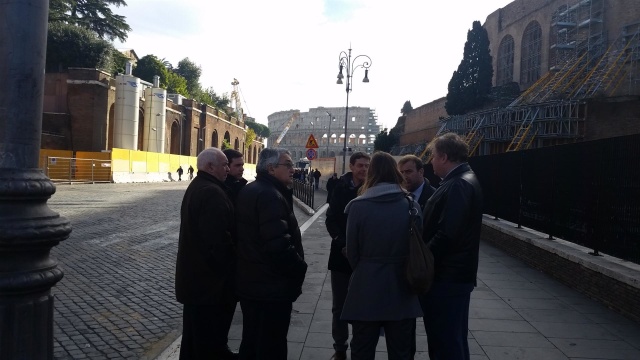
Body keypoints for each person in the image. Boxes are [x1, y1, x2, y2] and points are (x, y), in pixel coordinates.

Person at [342, 151, 423, 359]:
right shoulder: (411, 206)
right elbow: (417, 246)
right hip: (402, 285)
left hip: (366, 285)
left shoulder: (358, 207)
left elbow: (352, 252)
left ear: (372, 174)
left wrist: (365, 268)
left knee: (362, 347)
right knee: (401, 350)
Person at [234, 148, 308, 359]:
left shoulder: (252, 189)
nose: (293, 169)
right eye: (288, 164)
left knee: (252, 341)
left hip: (253, 284)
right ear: (271, 169)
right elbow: (278, 246)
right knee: (271, 345)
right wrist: (300, 267)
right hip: (270, 288)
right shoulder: (270, 196)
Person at [420, 133, 483, 360]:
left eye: (434, 156)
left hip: (447, 278)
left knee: (446, 342)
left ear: (444, 156)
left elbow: (448, 234)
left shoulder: (459, 185)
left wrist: (424, 258)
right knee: (450, 340)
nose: (431, 162)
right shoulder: (460, 181)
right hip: (452, 276)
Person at [174, 147, 239, 359]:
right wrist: (234, 268)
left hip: (197, 283)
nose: (227, 169)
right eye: (224, 165)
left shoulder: (199, 186)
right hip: (210, 286)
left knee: (194, 340)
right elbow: (218, 241)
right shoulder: (212, 192)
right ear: (210, 167)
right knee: (207, 343)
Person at [325, 152, 370, 360]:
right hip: (341, 255)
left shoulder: (372, 188)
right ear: (351, 166)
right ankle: (340, 348)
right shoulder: (339, 187)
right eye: (360, 165)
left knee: (363, 305)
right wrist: (341, 242)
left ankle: (359, 348)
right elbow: (331, 219)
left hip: (366, 258)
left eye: (367, 165)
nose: (364, 169)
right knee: (339, 306)